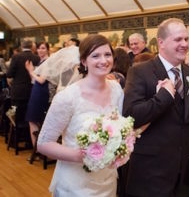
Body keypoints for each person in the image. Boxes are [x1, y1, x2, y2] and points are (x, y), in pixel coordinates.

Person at [123, 18, 189, 197]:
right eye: (178, 40)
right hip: (149, 170)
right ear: (161, 43)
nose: (184, 44)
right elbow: (131, 116)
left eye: (186, 39)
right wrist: (163, 97)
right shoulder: (140, 72)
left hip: (183, 170)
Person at [37, 35, 124, 196]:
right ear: (84, 61)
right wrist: (82, 156)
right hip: (75, 185)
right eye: (95, 56)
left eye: (107, 54)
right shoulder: (67, 97)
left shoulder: (117, 90)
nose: (103, 60)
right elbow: (43, 143)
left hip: (107, 181)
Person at [25, 42, 51, 149]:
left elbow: (41, 80)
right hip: (36, 90)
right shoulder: (41, 61)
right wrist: (31, 73)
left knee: (33, 120)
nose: (40, 50)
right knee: (33, 120)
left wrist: (31, 71)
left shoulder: (48, 62)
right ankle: (37, 149)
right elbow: (35, 80)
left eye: (43, 48)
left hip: (41, 92)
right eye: (39, 48)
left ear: (48, 50)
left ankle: (37, 150)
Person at [6, 40, 40, 110]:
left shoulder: (16, 56)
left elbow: (9, 74)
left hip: (18, 91)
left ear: (21, 46)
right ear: (32, 47)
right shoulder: (37, 58)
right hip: (31, 90)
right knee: (29, 113)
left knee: (18, 115)